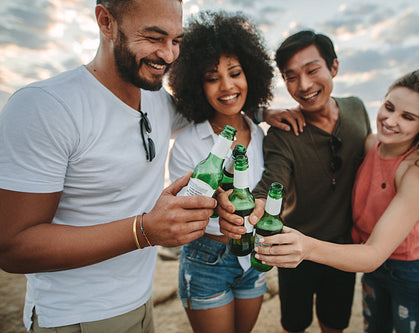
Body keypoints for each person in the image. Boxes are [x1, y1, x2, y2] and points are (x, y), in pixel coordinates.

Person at [0, 1, 302, 332]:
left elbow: (215, 106)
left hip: (142, 306)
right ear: (106, 22)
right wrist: (143, 230)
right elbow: (12, 247)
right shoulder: (45, 107)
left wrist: (262, 114)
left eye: (176, 40)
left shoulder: (157, 100)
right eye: (155, 37)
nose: (170, 55)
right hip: (76, 316)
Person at [254, 69, 419, 333]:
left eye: (407, 117)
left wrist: (305, 247)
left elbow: (374, 253)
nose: (390, 120)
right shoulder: (370, 145)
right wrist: (265, 113)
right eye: (389, 107)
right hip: (374, 271)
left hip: (414, 273)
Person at [218, 30, 372, 333]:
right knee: (294, 325)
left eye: (312, 70)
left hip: (343, 249)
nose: (303, 85)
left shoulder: (356, 108)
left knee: (334, 324)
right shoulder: (282, 133)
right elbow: (273, 179)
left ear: (334, 67)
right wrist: (254, 206)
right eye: (290, 77)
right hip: (293, 247)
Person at [167, 11, 276, 333]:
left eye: (235, 73)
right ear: (196, 85)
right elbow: (183, 212)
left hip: (253, 254)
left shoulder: (259, 133)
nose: (227, 86)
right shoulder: (189, 142)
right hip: (206, 258)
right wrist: (219, 206)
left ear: (251, 76)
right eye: (212, 77)